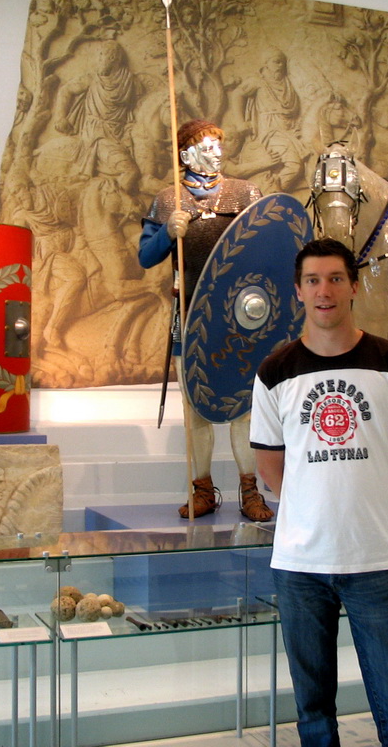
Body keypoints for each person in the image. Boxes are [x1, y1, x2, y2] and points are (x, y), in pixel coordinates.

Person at [250, 238, 388, 747]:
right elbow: (267, 464)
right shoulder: (274, 373)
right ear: (298, 291)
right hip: (299, 565)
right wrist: (314, 507)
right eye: (313, 281)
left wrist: (373, 508)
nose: (324, 291)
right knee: (313, 714)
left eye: (335, 279)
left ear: (353, 286)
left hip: (375, 561)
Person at [139, 119, 272, 522]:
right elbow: (146, 257)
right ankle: (202, 489)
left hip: (239, 319)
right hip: (190, 314)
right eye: (208, 147)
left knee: (243, 407)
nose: (218, 153)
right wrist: (167, 231)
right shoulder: (168, 200)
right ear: (185, 155)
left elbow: (268, 248)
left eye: (219, 146)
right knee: (195, 408)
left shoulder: (246, 194)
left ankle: (250, 490)